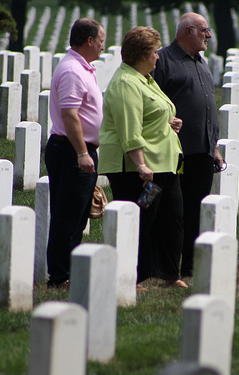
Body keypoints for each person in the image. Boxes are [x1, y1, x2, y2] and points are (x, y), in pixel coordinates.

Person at [98, 26, 187, 289]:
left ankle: (170, 274)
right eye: (155, 52)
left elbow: (152, 115)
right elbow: (129, 130)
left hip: (165, 165)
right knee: (139, 222)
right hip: (140, 169)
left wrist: (170, 123)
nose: (158, 57)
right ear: (142, 54)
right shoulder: (126, 83)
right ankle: (129, 275)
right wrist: (141, 165)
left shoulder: (145, 79)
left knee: (172, 219)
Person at [152, 12, 223, 278]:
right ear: (189, 31)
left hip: (202, 152)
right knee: (171, 213)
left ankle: (190, 266)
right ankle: (164, 267)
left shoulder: (201, 62)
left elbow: (206, 108)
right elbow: (151, 104)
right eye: (205, 30)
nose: (209, 35)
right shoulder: (163, 61)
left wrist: (213, 146)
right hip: (174, 152)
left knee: (196, 212)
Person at [44, 18, 105, 288]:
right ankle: (59, 276)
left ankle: (67, 271)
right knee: (68, 216)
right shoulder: (72, 70)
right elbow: (70, 115)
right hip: (71, 151)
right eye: (101, 40)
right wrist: (82, 153)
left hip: (80, 150)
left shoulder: (83, 68)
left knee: (78, 215)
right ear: (89, 40)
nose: (104, 46)